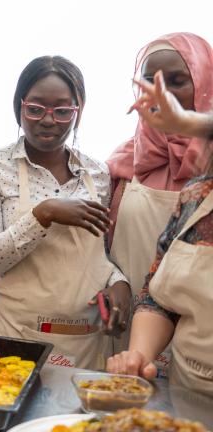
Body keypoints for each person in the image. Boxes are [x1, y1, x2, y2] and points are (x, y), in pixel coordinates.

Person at [0, 56, 131, 370]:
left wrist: (119, 282)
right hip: (16, 336)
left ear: (77, 112)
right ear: (19, 107)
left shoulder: (97, 172)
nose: (48, 120)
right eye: (36, 108)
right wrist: (44, 213)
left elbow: (101, 254)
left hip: (85, 338)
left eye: (63, 110)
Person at [106, 33, 213, 361]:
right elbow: (102, 250)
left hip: (193, 342)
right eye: (150, 80)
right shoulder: (121, 164)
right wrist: (115, 281)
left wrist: (186, 124)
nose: (161, 92)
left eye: (178, 80)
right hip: (137, 330)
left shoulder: (205, 174)